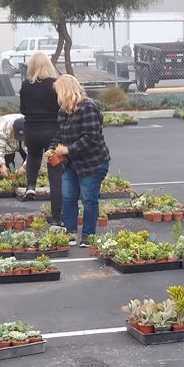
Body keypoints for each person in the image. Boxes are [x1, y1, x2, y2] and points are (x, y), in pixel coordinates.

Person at [46, 75, 110, 247]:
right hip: (72, 164)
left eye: (58, 91)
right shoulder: (63, 111)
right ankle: (70, 232)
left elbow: (92, 138)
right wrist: (51, 149)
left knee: (89, 199)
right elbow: (60, 134)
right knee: (68, 197)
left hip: (92, 164)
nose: (57, 95)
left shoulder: (87, 107)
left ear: (65, 90)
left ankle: (88, 235)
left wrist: (67, 149)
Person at [20, 51, 63, 223]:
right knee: (55, 174)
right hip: (52, 130)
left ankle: (31, 185)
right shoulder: (55, 84)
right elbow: (60, 107)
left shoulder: (26, 85)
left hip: (31, 129)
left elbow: (23, 109)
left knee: (33, 154)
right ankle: (57, 216)